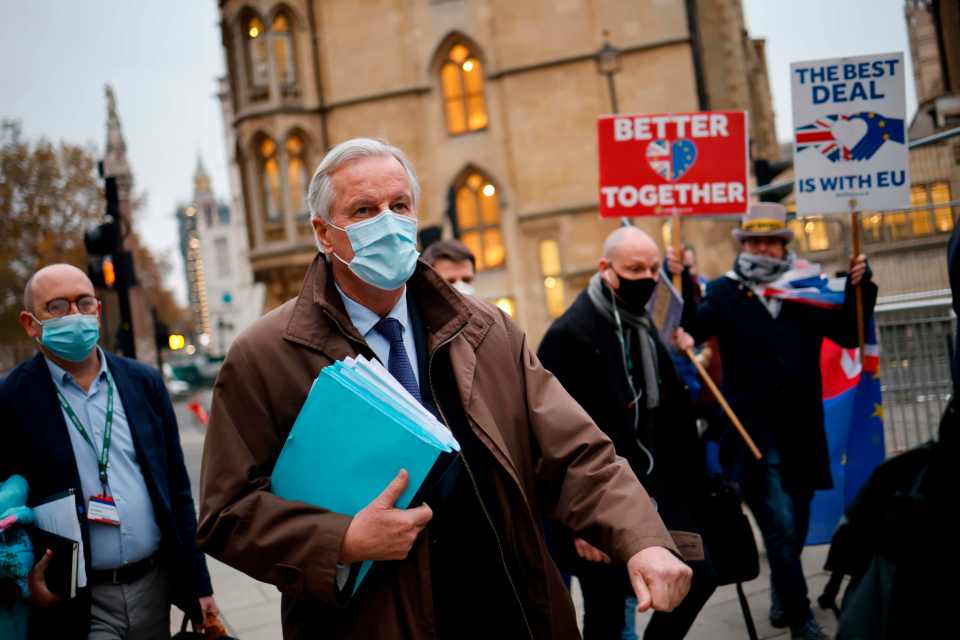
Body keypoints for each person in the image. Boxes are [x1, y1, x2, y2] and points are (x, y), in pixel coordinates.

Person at [197, 138, 692, 639]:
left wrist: (641, 539)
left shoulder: (486, 330)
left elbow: (578, 452)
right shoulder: (264, 355)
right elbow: (227, 513)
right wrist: (341, 540)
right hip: (373, 621)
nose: (387, 222)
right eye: (364, 210)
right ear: (324, 233)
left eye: (399, 205)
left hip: (505, 608)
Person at [669, 202, 877, 640]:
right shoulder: (726, 292)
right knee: (780, 526)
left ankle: (786, 591)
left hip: (801, 429)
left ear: (784, 245)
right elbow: (693, 324)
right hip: (751, 433)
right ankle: (801, 618)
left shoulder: (804, 288)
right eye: (755, 242)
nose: (763, 249)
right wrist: (682, 281)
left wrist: (860, 288)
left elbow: (849, 332)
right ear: (743, 245)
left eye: (771, 241)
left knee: (796, 520)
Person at [0, 264, 219, 640]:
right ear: (30, 323)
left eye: (84, 303)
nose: (75, 315)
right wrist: (24, 581)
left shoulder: (144, 383)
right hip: (76, 601)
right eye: (57, 307)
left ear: (98, 311)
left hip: (155, 586)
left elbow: (178, 494)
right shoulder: (12, 400)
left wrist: (200, 585)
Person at [538, 227, 716, 640]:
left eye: (654, 269)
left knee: (699, 576)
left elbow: (668, 413)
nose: (648, 277)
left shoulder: (642, 324)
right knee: (611, 614)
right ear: (606, 270)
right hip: (598, 505)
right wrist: (583, 525)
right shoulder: (571, 334)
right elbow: (554, 437)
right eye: (635, 268)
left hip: (655, 492)